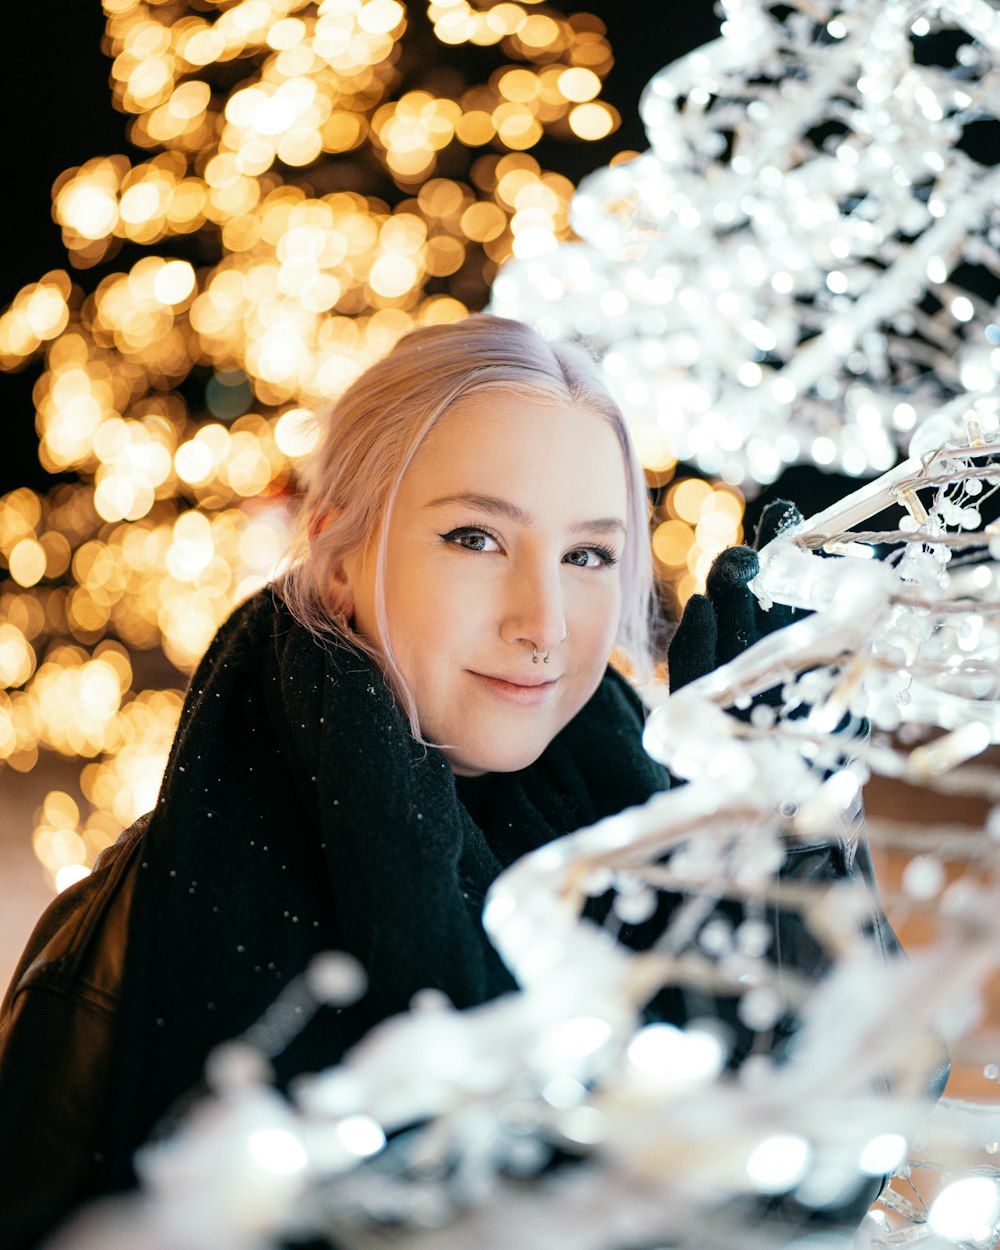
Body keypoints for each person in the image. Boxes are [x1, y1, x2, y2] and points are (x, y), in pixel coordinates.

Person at [0, 315, 927, 1248]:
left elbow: (815, 1181)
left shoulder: (662, 847)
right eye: (477, 538)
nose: (547, 621)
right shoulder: (128, 937)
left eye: (589, 555)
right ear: (336, 560)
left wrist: (789, 813)